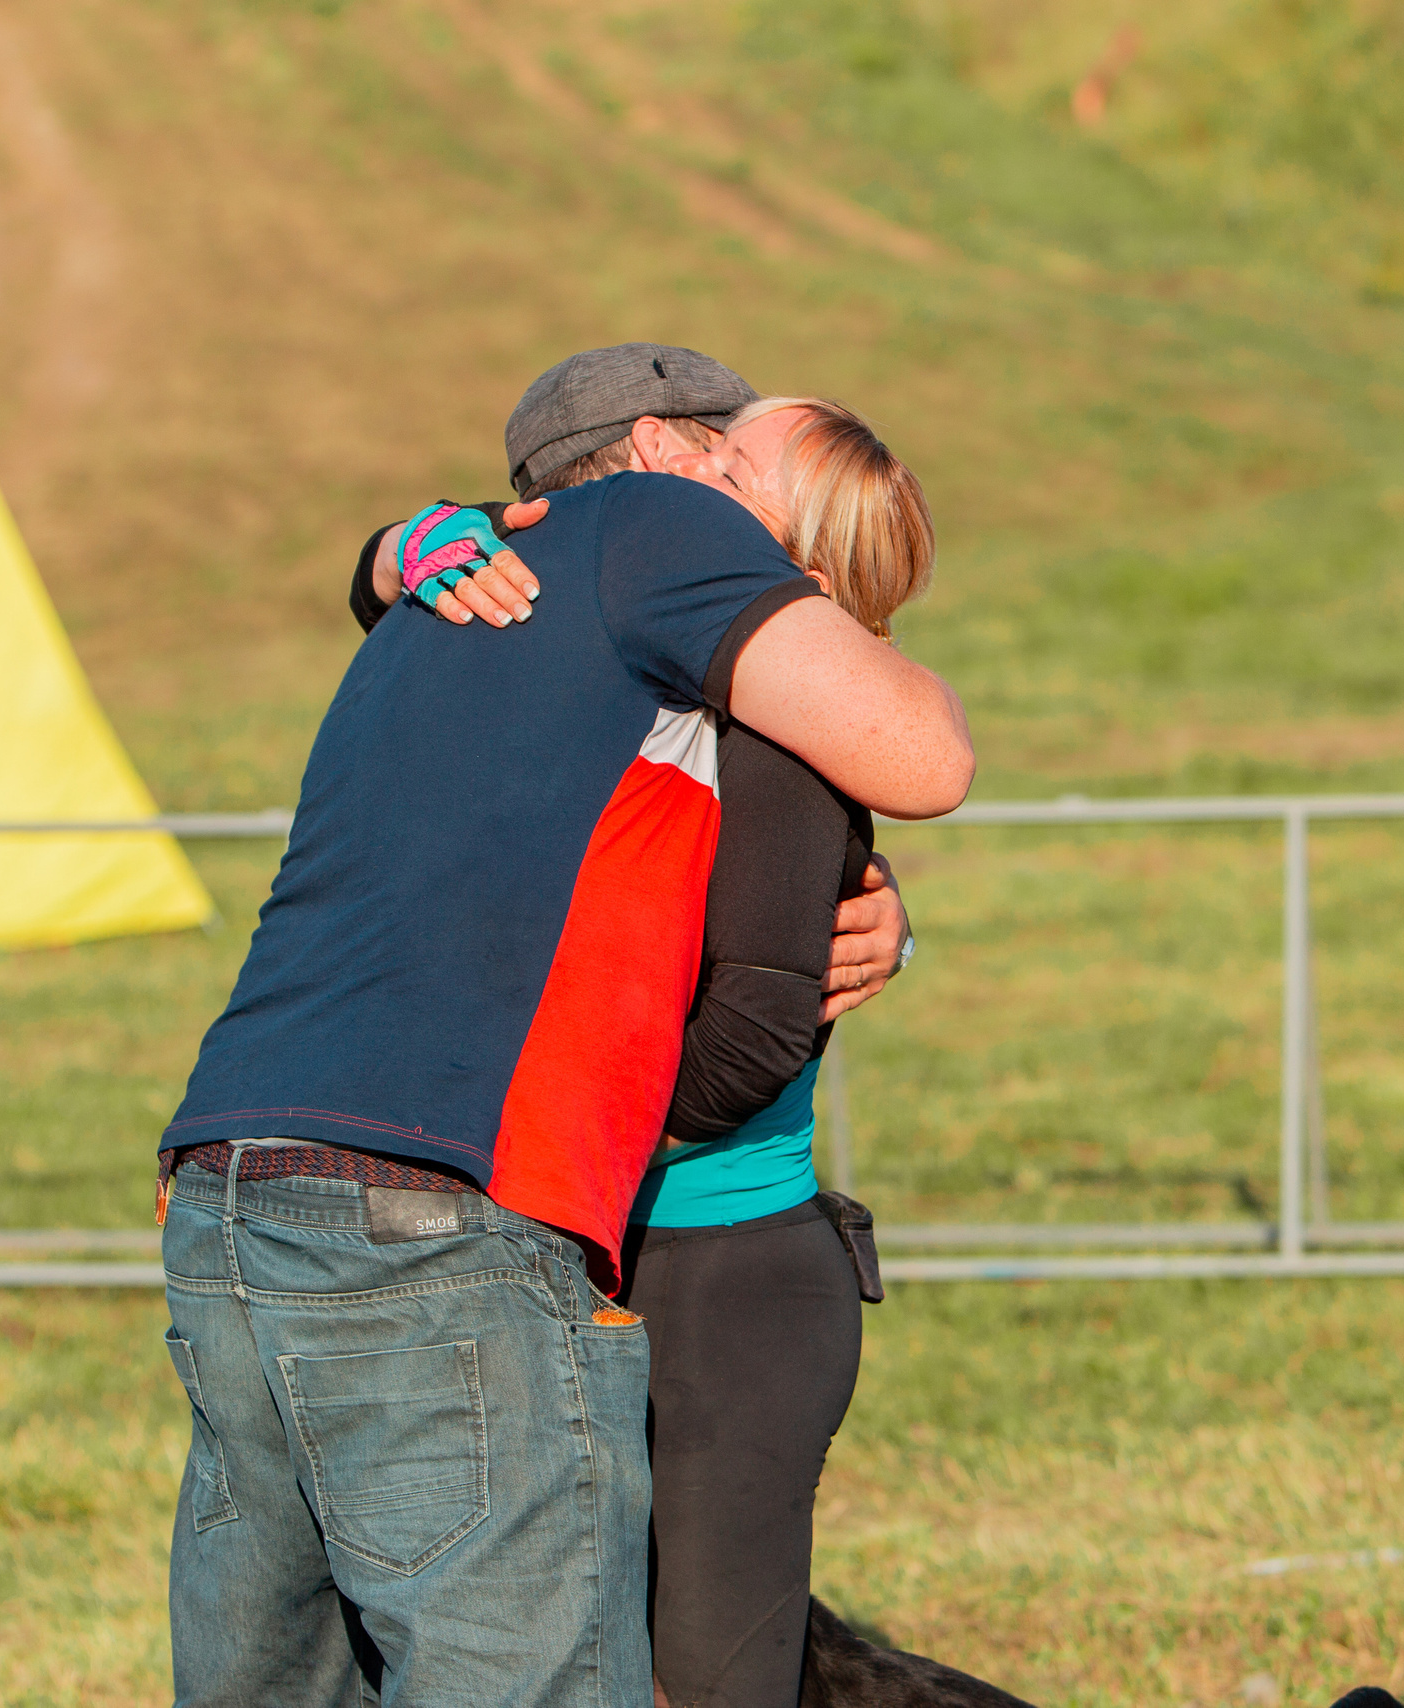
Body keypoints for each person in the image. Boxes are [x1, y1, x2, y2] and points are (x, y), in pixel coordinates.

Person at [157, 345, 972, 1708]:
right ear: (662, 454)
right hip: (441, 1212)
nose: (737, 502)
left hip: (229, 1191)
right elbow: (924, 756)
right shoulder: (657, 533)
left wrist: (389, 556)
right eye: (725, 457)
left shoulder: (455, 605)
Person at [357, 384, 934, 1708]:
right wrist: (398, 549)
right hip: (557, 1246)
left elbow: (752, 1026)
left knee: (705, 1677)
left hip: (712, 1264)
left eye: (732, 468)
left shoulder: (779, 725)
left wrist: (549, 1125)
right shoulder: (570, 663)